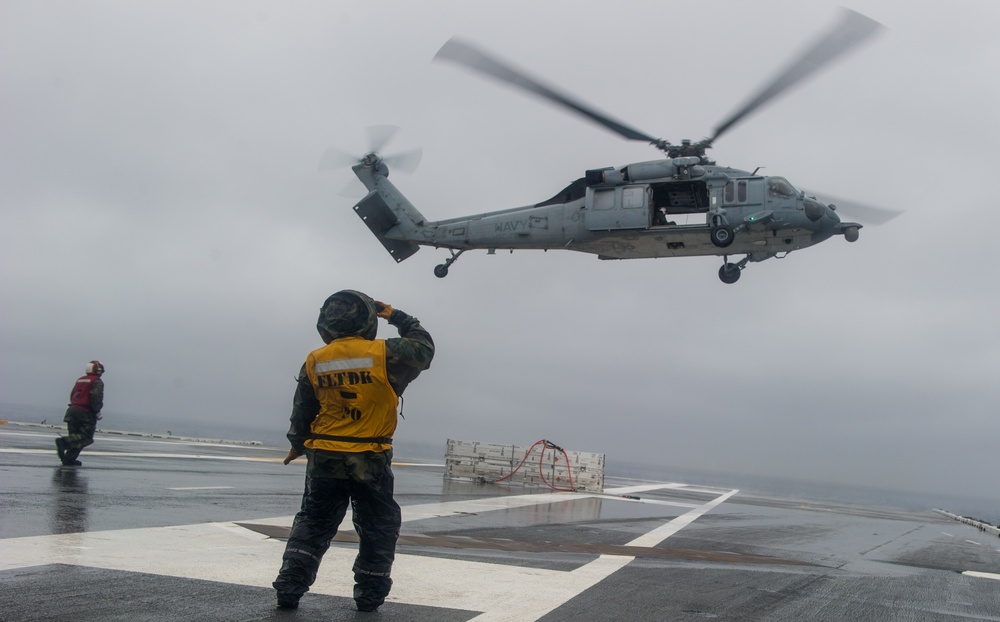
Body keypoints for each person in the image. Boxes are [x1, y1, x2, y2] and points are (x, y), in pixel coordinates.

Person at [273, 290, 434, 612]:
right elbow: (425, 347)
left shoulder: (315, 359)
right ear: (367, 320)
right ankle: (369, 597)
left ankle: (289, 588)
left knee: (313, 523)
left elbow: (302, 409)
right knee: (378, 525)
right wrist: (394, 314)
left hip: (325, 457)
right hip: (369, 458)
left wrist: (296, 445)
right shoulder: (386, 353)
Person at [56, 360, 105, 467]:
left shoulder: (81, 380)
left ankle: (69, 459)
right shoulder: (97, 381)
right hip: (85, 412)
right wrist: (96, 411)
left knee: (75, 436)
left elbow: (72, 394)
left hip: (72, 410)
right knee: (86, 437)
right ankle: (64, 442)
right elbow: (96, 397)